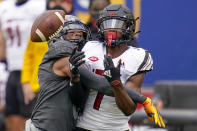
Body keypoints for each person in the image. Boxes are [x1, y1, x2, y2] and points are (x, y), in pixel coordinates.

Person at [74, 4, 165, 130]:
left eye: (117, 24)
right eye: (107, 23)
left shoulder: (138, 56)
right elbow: (77, 93)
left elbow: (128, 110)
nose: (111, 29)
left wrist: (117, 85)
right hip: (84, 126)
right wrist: (75, 76)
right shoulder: (89, 48)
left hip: (117, 128)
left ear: (129, 27)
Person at [26, 15, 92, 131]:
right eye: (71, 34)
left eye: (80, 35)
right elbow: (97, 82)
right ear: (57, 37)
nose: (77, 39)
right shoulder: (63, 59)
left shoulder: (72, 60)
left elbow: (79, 98)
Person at [0, 0, 45, 130]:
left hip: (31, 70)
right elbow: (2, 43)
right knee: (10, 114)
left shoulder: (39, 5)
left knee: (29, 118)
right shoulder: (4, 6)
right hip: (10, 68)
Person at [21, 0, 74, 106]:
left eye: (62, 1)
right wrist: (26, 83)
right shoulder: (40, 29)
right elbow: (28, 56)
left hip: (65, 88)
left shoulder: (77, 28)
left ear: (70, 5)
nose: (57, 5)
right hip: (38, 87)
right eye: (53, 1)